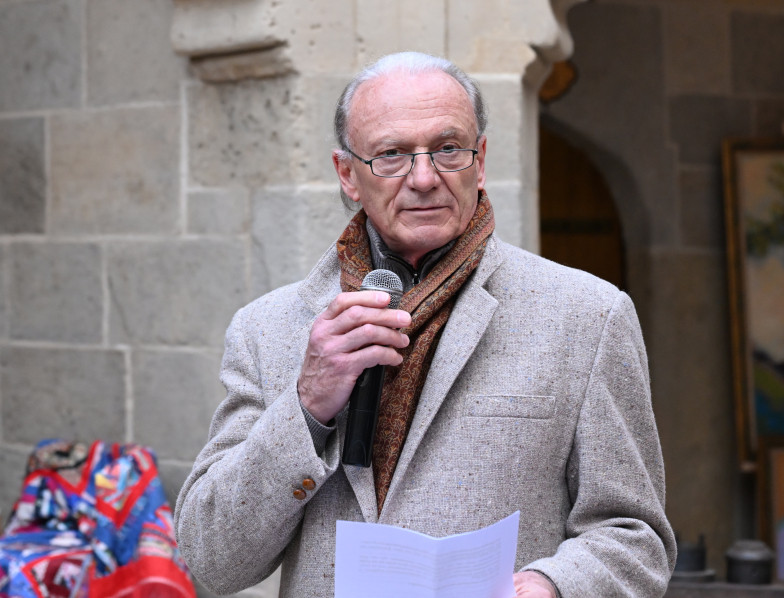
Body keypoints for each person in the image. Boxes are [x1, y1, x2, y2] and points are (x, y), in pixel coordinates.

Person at [174, 52, 676, 598]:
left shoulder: (587, 315)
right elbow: (212, 562)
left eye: (448, 149)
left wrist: (554, 586)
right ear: (347, 174)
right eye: (390, 155)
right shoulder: (267, 329)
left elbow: (635, 537)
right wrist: (307, 406)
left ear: (480, 161)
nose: (423, 178)